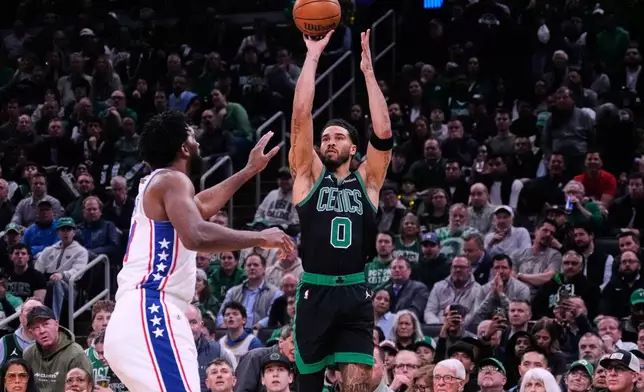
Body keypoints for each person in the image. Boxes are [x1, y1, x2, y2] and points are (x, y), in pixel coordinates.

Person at [103, 110, 295, 392]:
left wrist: (248, 171)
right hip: (152, 311)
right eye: (192, 137)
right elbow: (196, 234)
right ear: (183, 147)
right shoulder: (172, 180)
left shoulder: (157, 184)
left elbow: (201, 206)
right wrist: (260, 237)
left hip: (135, 318)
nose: (198, 143)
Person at [289, 29, 393, 392]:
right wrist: (313, 57)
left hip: (354, 292)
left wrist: (367, 73)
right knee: (308, 385)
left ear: (353, 148)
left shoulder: (368, 183)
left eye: (338, 137)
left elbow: (383, 133)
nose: (329, 141)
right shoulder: (308, 175)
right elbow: (301, 115)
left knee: (357, 384)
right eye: (325, 138)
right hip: (314, 292)